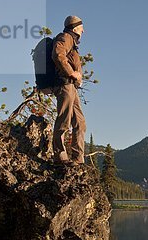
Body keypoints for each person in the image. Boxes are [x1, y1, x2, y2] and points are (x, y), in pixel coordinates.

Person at [51, 15, 86, 165]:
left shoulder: (71, 40)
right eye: (81, 27)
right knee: (64, 119)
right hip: (64, 84)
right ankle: (59, 155)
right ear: (75, 27)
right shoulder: (65, 37)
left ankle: (78, 158)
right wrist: (72, 73)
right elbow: (57, 55)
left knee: (79, 121)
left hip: (71, 86)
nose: (83, 31)